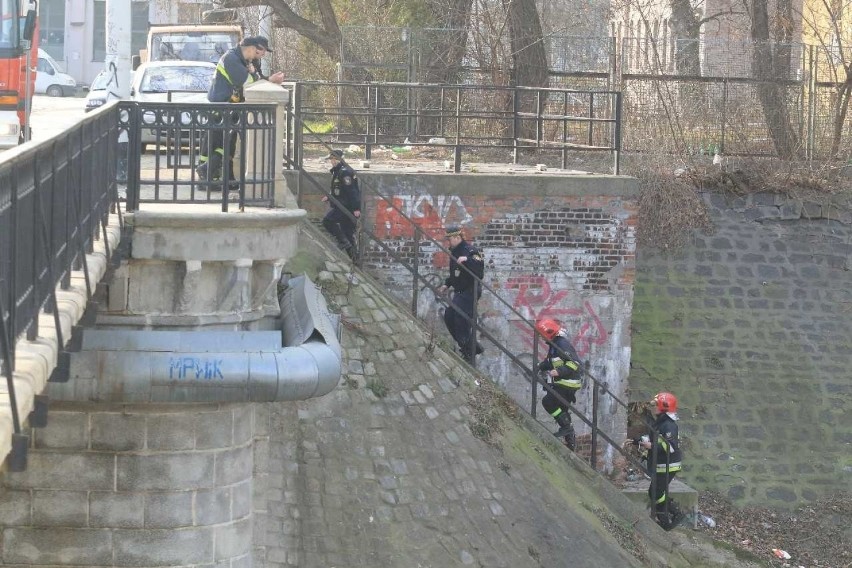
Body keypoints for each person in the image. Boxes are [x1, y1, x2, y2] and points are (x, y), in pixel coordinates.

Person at [195, 36, 267, 191]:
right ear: (252, 48)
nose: (259, 56)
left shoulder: (243, 60)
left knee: (227, 145)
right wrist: (254, 75)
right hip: (220, 106)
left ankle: (226, 178)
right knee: (216, 144)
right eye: (258, 52)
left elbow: (257, 78)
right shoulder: (231, 58)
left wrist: (261, 77)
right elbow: (244, 81)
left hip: (230, 106)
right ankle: (206, 176)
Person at [639, 392, 685, 531]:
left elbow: (670, 446)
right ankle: (667, 518)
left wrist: (652, 446)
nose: (653, 408)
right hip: (662, 465)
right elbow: (654, 439)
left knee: (656, 493)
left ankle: (673, 516)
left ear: (664, 408)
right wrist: (637, 442)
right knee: (655, 492)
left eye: (656, 405)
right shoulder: (660, 423)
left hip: (668, 465)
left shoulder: (669, 425)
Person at [438, 227, 485, 363]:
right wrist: (447, 284)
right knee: (449, 315)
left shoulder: (469, 251)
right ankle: (471, 347)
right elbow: (455, 274)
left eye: (450, 239)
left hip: (470, 291)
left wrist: (468, 260)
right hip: (460, 291)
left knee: (461, 318)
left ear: (457, 238)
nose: (448, 242)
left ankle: (468, 350)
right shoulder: (454, 251)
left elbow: (479, 271)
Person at [535, 318, 583, 449]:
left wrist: (559, 372)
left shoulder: (561, 344)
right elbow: (551, 361)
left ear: (548, 332)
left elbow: (575, 363)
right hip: (563, 382)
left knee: (548, 402)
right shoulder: (554, 345)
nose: (540, 337)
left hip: (568, 383)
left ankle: (567, 428)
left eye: (541, 334)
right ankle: (570, 440)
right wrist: (541, 366)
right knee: (562, 409)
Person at [321, 149, 361, 259]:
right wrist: (329, 197)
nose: (331, 161)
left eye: (333, 159)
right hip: (341, 205)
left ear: (338, 159)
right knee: (347, 233)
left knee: (328, 221)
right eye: (331, 159)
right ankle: (354, 259)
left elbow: (352, 191)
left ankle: (343, 242)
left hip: (345, 207)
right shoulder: (338, 171)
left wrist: (356, 208)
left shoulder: (344, 172)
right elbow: (337, 189)